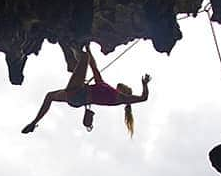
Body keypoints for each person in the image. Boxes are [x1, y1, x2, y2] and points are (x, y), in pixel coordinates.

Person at [21, 44, 150, 136]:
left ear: (123, 91)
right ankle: (34, 122)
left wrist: (145, 84)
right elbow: (94, 67)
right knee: (50, 96)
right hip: (76, 100)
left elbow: (143, 98)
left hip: (79, 94)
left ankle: (70, 43)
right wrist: (88, 48)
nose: (119, 86)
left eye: (122, 87)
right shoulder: (105, 87)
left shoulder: (120, 98)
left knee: (84, 58)